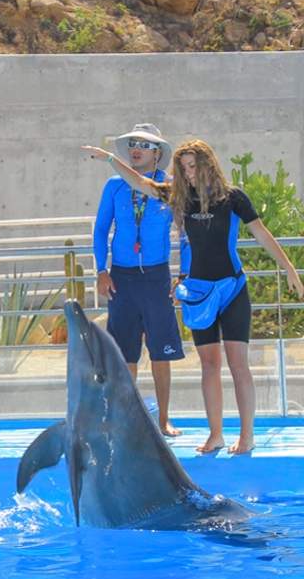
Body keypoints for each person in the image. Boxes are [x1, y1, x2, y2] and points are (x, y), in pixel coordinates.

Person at [84, 137, 304, 455]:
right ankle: (216, 435)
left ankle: (247, 436)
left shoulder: (233, 198)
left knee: (238, 364)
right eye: (183, 168)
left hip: (231, 288)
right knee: (209, 365)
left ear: (207, 165)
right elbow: (141, 182)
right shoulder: (180, 198)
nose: (187, 173)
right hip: (199, 294)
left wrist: (290, 270)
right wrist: (109, 159)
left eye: (192, 166)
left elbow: (261, 234)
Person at [88, 123, 184, 437]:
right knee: (125, 353)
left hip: (156, 277)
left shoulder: (170, 187)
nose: (136, 149)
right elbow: (101, 230)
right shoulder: (114, 186)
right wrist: (101, 270)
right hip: (122, 279)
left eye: (144, 144)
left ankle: (164, 418)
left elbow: (185, 234)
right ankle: (128, 420)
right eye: (132, 143)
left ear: (158, 153)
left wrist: (183, 274)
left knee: (161, 351)